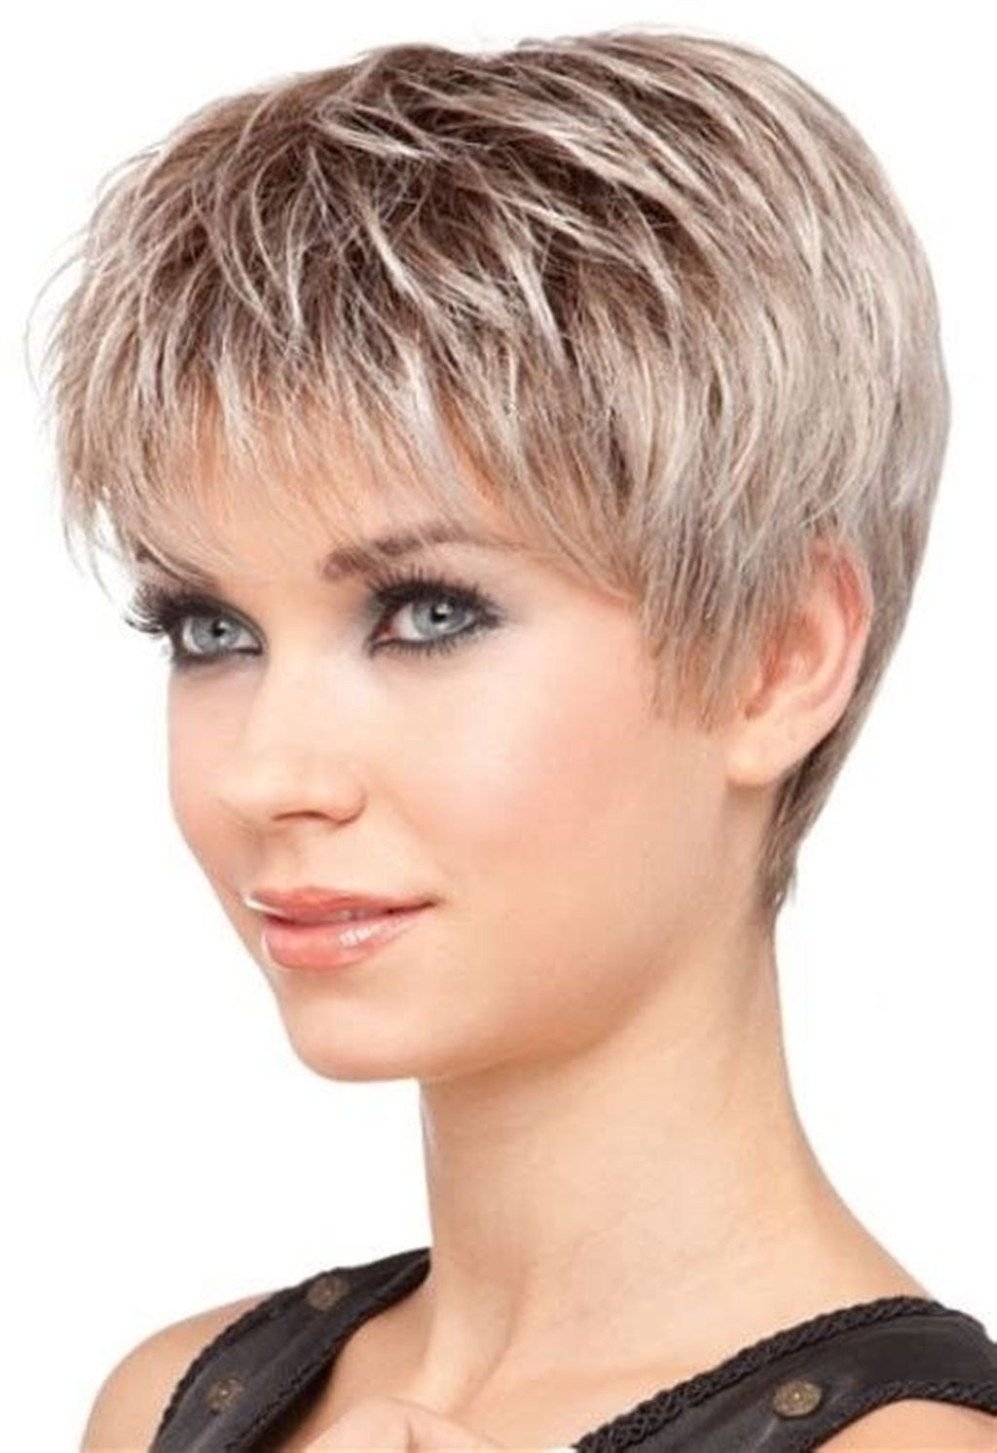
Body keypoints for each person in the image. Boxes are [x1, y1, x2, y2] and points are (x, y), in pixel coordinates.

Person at [39, 23, 996, 1452]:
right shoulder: (168, 1405)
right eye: (211, 629)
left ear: (776, 655)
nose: (266, 775)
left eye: (426, 614)